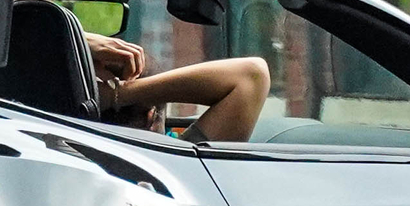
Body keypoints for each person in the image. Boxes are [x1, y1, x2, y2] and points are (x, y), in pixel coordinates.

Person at [82, 32, 271, 143]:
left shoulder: (67, 163)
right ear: (151, 118)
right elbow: (252, 75)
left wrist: (83, 40)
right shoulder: (185, 171)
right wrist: (119, 95)